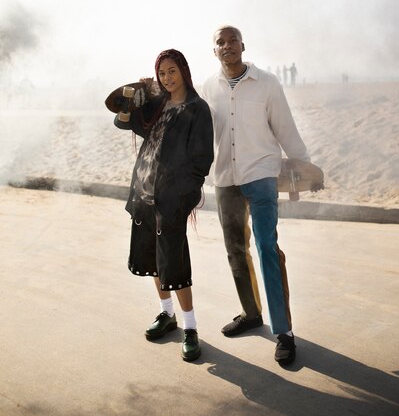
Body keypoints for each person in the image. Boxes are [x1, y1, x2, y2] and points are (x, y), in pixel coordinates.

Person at [202, 26, 310, 365]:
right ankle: (251, 314)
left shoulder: (267, 83)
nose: (227, 45)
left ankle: (284, 332)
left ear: (243, 46)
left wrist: (303, 167)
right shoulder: (208, 88)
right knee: (235, 250)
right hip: (225, 179)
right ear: (214, 51)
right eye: (220, 42)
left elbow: (285, 126)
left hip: (262, 174)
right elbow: (202, 134)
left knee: (266, 248)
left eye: (233, 40)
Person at [113, 49, 214, 362]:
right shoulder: (158, 105)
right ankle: (166, 314)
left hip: (171, 199)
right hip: (143, 192)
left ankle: (191, 328)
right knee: (153, 259)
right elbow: (124, 122)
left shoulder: (197, 109)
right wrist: (138, 96)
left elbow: (202, 159)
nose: (168, 78)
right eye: (162, 73)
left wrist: (185, 196)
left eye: (172, 71)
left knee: (174, 262)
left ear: (183, 70)